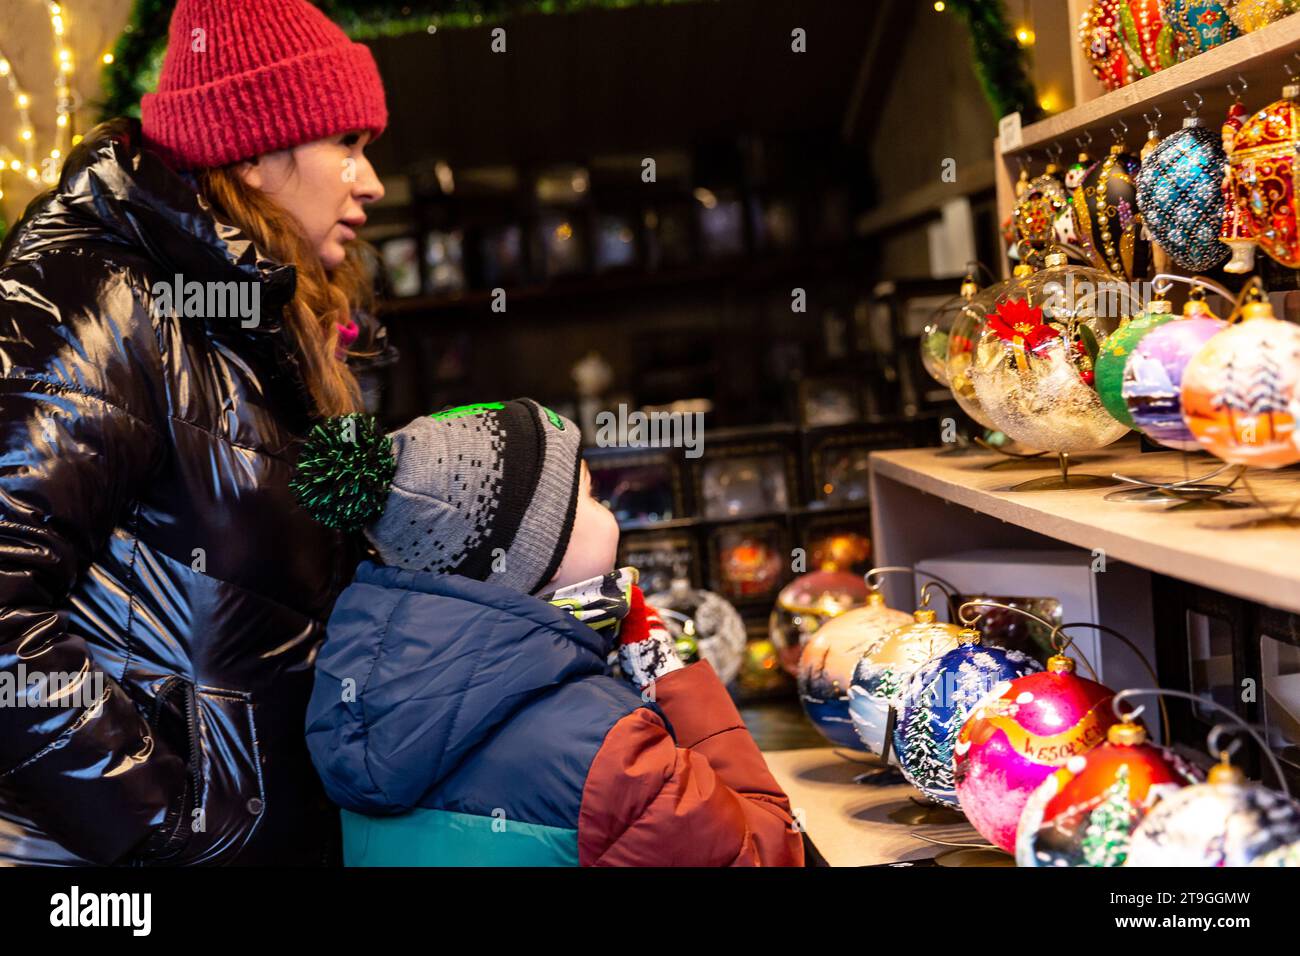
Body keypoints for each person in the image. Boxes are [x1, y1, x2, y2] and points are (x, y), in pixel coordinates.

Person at [0, 0, 391, 865]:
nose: (372, 184)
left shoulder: (253, 322)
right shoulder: (95, 293)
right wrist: (165, 826)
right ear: (255, 152)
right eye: (349, 146)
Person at [295, 401, 805, 866]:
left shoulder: (352, 716)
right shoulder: (615, 756)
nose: (607, 508)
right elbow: (768, 849)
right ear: (543, 556)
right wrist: (666, 671)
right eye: (589, 494)